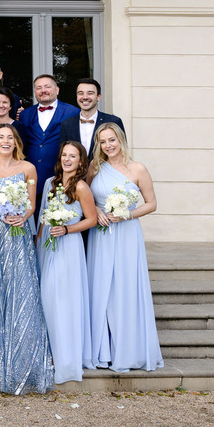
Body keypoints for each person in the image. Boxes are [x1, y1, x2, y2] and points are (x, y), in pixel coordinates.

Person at [0, 123, 52, 394]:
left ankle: (23, 359)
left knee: (21, 289)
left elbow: (32, 202)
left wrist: (23, 215)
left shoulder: (28, 168)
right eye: (1, 137)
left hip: (18, 233)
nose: (5, 141)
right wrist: (0, 215)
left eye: (10, 137)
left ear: (16, 142)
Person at [87, 123, 163, 373]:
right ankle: (103, 351)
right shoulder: (95, 168)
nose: (108, 146)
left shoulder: (138, 169)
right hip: (102, 234)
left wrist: (127, 215)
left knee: (125, 288)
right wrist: (97, 211)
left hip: (127, 234)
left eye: (112, 140)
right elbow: (85, 196)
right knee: (102, 290)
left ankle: (127, 351)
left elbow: (151, 204)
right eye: (103, 142)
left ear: (120, 140)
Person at [38, 141, 96, 384]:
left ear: (81, 161)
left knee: (64, 299)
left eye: (73, 156)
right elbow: (42, 217)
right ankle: (49, 352)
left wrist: (68, 229)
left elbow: (92, 220)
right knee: (48, 298)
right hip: (48, 248)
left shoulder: (81, 187)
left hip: (69, 248)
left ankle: (67, 356)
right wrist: (37, 245)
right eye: (64, 155)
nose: (67, 159)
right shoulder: (50, 183)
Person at [18, 74, 80, 205]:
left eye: (47, 87)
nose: (43, 90)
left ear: (56, 90)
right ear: (35, 92)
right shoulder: (25, 114)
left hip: (59, 178)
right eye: (39, 88)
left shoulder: (73, 112)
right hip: (30, 180)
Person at [59, 77, 126, 157]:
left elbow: (122, 151)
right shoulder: (67, 124)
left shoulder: (114, 121)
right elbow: (63, 154)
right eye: (81, 93)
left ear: (98, 97)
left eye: (90, 93)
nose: (85, 97)